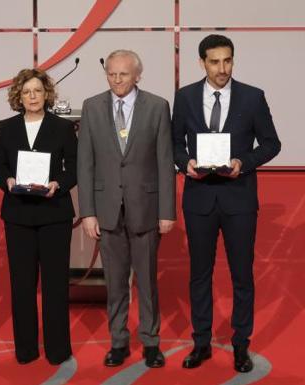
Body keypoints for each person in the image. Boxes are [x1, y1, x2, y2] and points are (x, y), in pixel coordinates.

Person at [173, 34, 281, 373]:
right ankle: (201, 342)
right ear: (202, 62)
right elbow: (175, 143)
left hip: (239, 200)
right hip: (199, 199)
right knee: (199, 275)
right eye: (215, 61)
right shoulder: (186, 96)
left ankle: (240, 346)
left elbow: (271, 143)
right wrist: (185, 163)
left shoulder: (252, 97)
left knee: (241, 276)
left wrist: (243, 162)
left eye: (228, 61)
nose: (223, 68)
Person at [77, 50, 175, 368]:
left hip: (145, 208)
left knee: (146, 282)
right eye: (112, 74)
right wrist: (88, 212)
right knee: (115, 283)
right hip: (106, 211)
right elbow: (85, 164)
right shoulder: (91, 107)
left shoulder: (158, 107)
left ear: (137, 75)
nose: (117, 80)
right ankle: (118, 341)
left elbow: (164, 162)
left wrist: (167, 211)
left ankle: (150, 342)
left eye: (123, 74)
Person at [0, 68, 76, 365]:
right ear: (18, 95)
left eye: (37, 91)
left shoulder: (62, 127)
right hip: (18, 215)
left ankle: (57, 350)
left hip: (54, 214)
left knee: (55, 286)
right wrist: (8, 181)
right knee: (22, 285)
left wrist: (59, 184)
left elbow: (74, 167)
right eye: (27, 92)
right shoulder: (6, 126)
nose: (32, 97)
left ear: (46, 94)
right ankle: (25, 350)